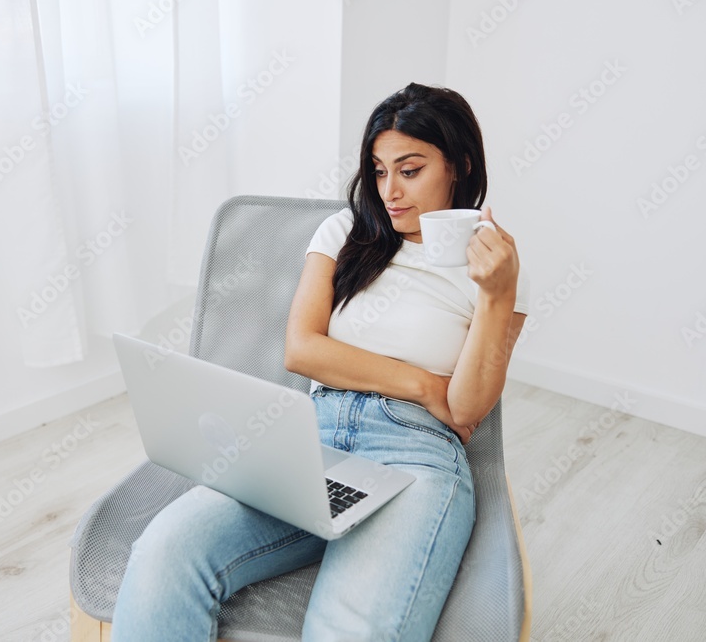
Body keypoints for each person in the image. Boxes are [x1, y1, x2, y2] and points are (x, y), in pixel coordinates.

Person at [111, 82, 529, 641]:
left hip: (416, 456)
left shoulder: (497, 263)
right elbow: (303, 349)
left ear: (458, 165)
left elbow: (468, 407)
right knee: (165, 551)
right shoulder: (345, 231)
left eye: (409, 170)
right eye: (378, 171)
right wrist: (426, 384)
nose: (389, 192)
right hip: (309, 443)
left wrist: (497, 295)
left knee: (348, 629)